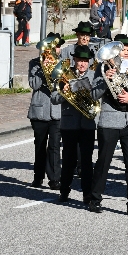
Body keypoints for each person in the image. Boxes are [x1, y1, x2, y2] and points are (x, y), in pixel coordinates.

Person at [90, 34, 128, 216]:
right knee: (104, 162)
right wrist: (106, 80)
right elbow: (94, 94)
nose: (126, 53)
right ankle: (95, 199)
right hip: (110, 121)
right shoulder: (103, 67)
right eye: (123, 50)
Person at [55, 45, 97, 204]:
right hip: (69, 124)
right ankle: (64, 191)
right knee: (68, 160)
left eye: (85, 61)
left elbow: (98, 96)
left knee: (86, 161)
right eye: (80, 60)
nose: (82, 64)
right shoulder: (65, 74)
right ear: (74, 60)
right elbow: (54, 98)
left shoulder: (94, 75)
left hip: (87, 123)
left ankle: (87, 194)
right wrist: (63, 92)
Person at [27, 33, 64, 189]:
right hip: (40, 111)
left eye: (58, 46)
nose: (57, 49)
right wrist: (43, 68)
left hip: (57, 111)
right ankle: (38, 177)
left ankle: (55, 179)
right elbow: (34, 84)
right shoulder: (34, 63)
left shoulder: (63, 64)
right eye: (53, 46)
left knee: (55, 146)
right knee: (40, 146)